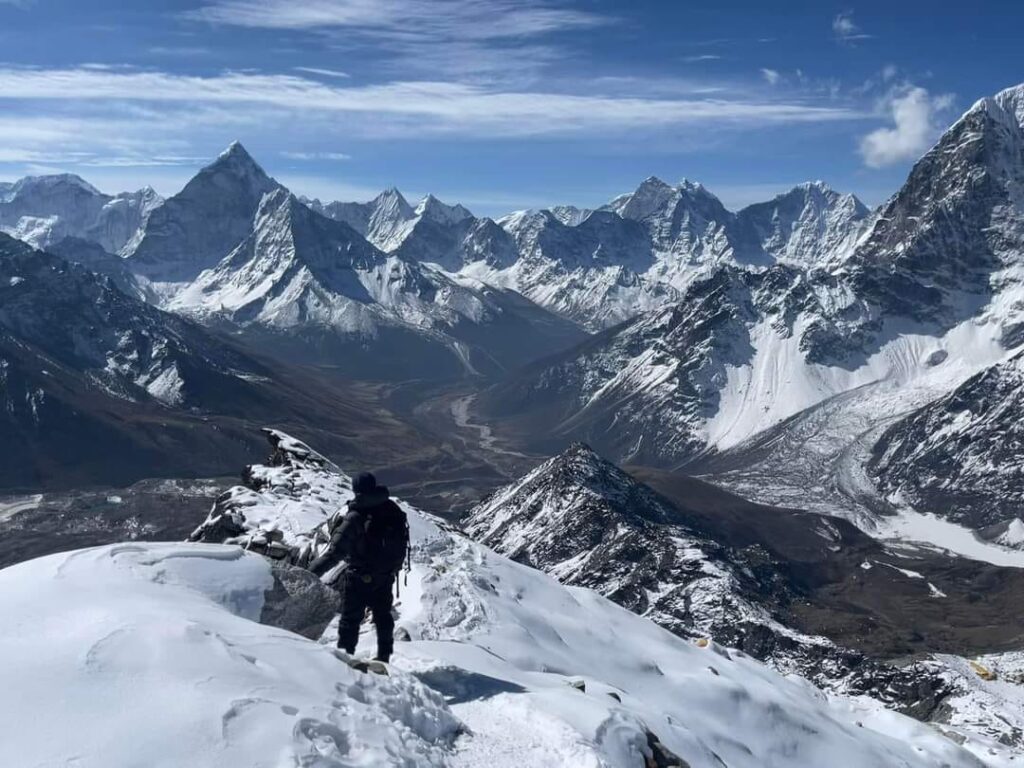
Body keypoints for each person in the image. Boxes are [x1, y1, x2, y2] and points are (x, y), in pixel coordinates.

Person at [310, 471, 409, 663]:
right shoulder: (392, 509)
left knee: (350, 620)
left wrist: (309, 573)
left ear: (356, 490)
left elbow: (334, 553)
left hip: (359, 576)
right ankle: (384, 658)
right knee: (383, 617)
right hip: (386, 575)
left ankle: (345, 660)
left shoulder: (356, 516)